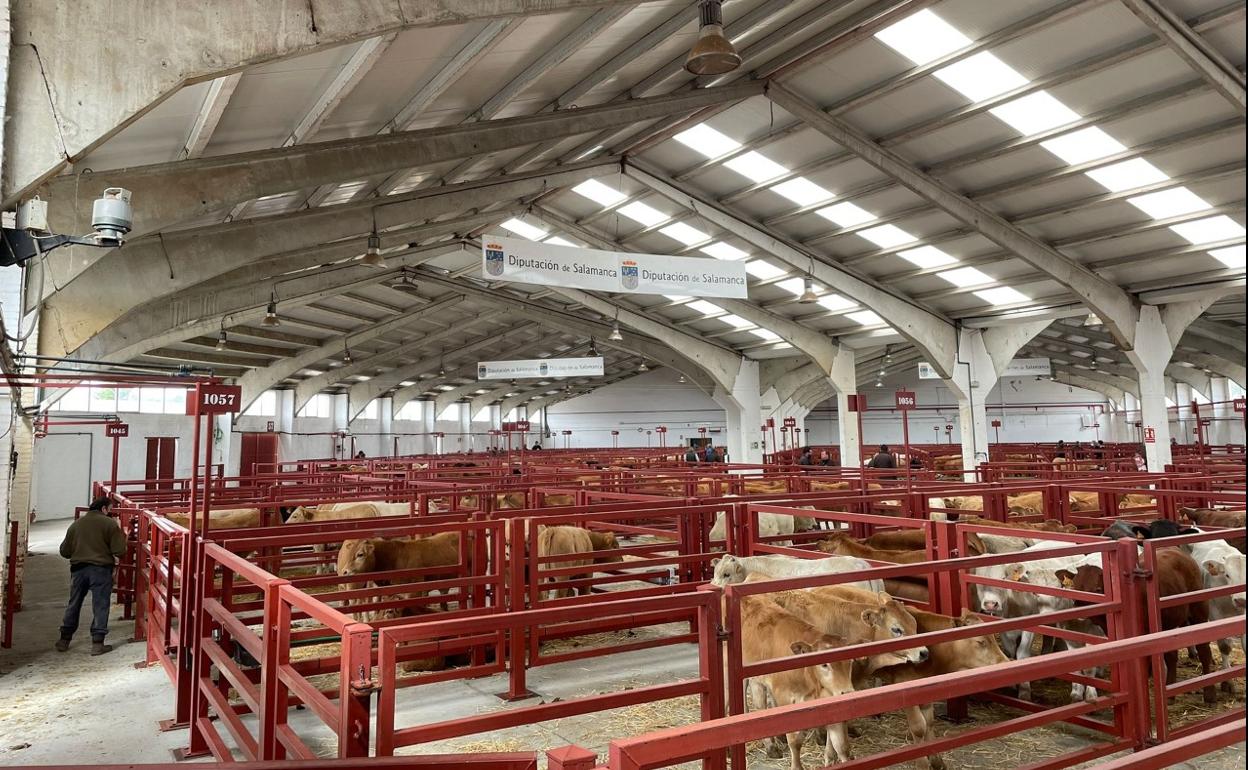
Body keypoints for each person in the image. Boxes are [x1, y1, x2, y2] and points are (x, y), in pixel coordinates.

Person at [56, 497, 127, 655]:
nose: (110, 513)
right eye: (109, 510)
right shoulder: (109, 524)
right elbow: (120, 550)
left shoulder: (76, 525)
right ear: (103, 509)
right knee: (100, 605)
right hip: (101, 570)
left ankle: (64, 639)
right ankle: (97, 643)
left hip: (78, 570)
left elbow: (64, 551)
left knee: (74, 603)